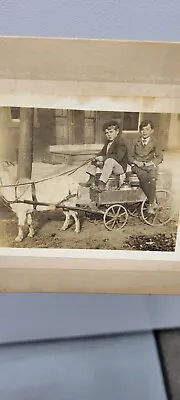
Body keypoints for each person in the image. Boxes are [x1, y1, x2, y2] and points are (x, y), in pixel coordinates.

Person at [80, 120, 128, 192]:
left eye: (111, 132)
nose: (108, 135)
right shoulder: (108, 142)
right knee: (95, 160)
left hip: (119, 168)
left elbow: (118, 157)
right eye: (106, 133)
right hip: (110, 165)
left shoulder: (120, 142)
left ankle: (102, 184)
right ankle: (91, 179)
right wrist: (96, 156)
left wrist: (103, 158)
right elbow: (102, 153)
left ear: (117, 131)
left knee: (109, 161)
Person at [128, 119, 163, 214]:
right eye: (142, 129)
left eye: (147, 129)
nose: (144, 132)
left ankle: (151, 202)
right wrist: (135, 162)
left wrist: (151, 163)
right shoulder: (135, 141)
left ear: (152, 131)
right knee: (143, 176)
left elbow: (160, 157)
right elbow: (129, 156)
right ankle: (152, 203)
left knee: (152, 178)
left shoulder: (155, 142)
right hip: (137, 166)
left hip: (149, 165)